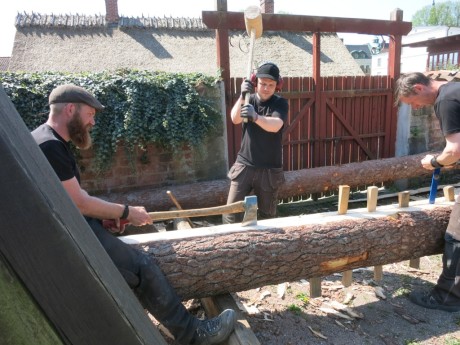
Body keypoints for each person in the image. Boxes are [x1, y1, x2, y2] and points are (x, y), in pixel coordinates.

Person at [31, 84, 236, 344]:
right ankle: (192, 335)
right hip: (63, 239)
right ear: (70, 109)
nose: (92, 122)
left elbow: (67, 202)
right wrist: (128, 211)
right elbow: (79, 202)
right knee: (142, 265)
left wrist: (104, 218)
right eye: (90, 114)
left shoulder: (45, 138)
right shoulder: (50, 146)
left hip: (63, 227)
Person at [395, 72, 460, 312]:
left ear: (420, 88)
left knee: (457, 235)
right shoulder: (455, 90)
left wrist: (435, 162)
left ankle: (447, 298)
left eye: (412, 102)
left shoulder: (445, 101)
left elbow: (454, 150)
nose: (416, 107)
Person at [223, 62, 289, 224]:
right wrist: (241, 96)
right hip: (245, 164)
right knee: (231, 213)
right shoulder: (248, 99)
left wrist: (256, 117)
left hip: (269, 168)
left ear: (277, 86)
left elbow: (275, 125)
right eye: (262, 84)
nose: (266, 88)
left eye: (270, 85)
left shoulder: (280, 103)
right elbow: (234, 118)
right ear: (255, 83)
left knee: (268, 216)